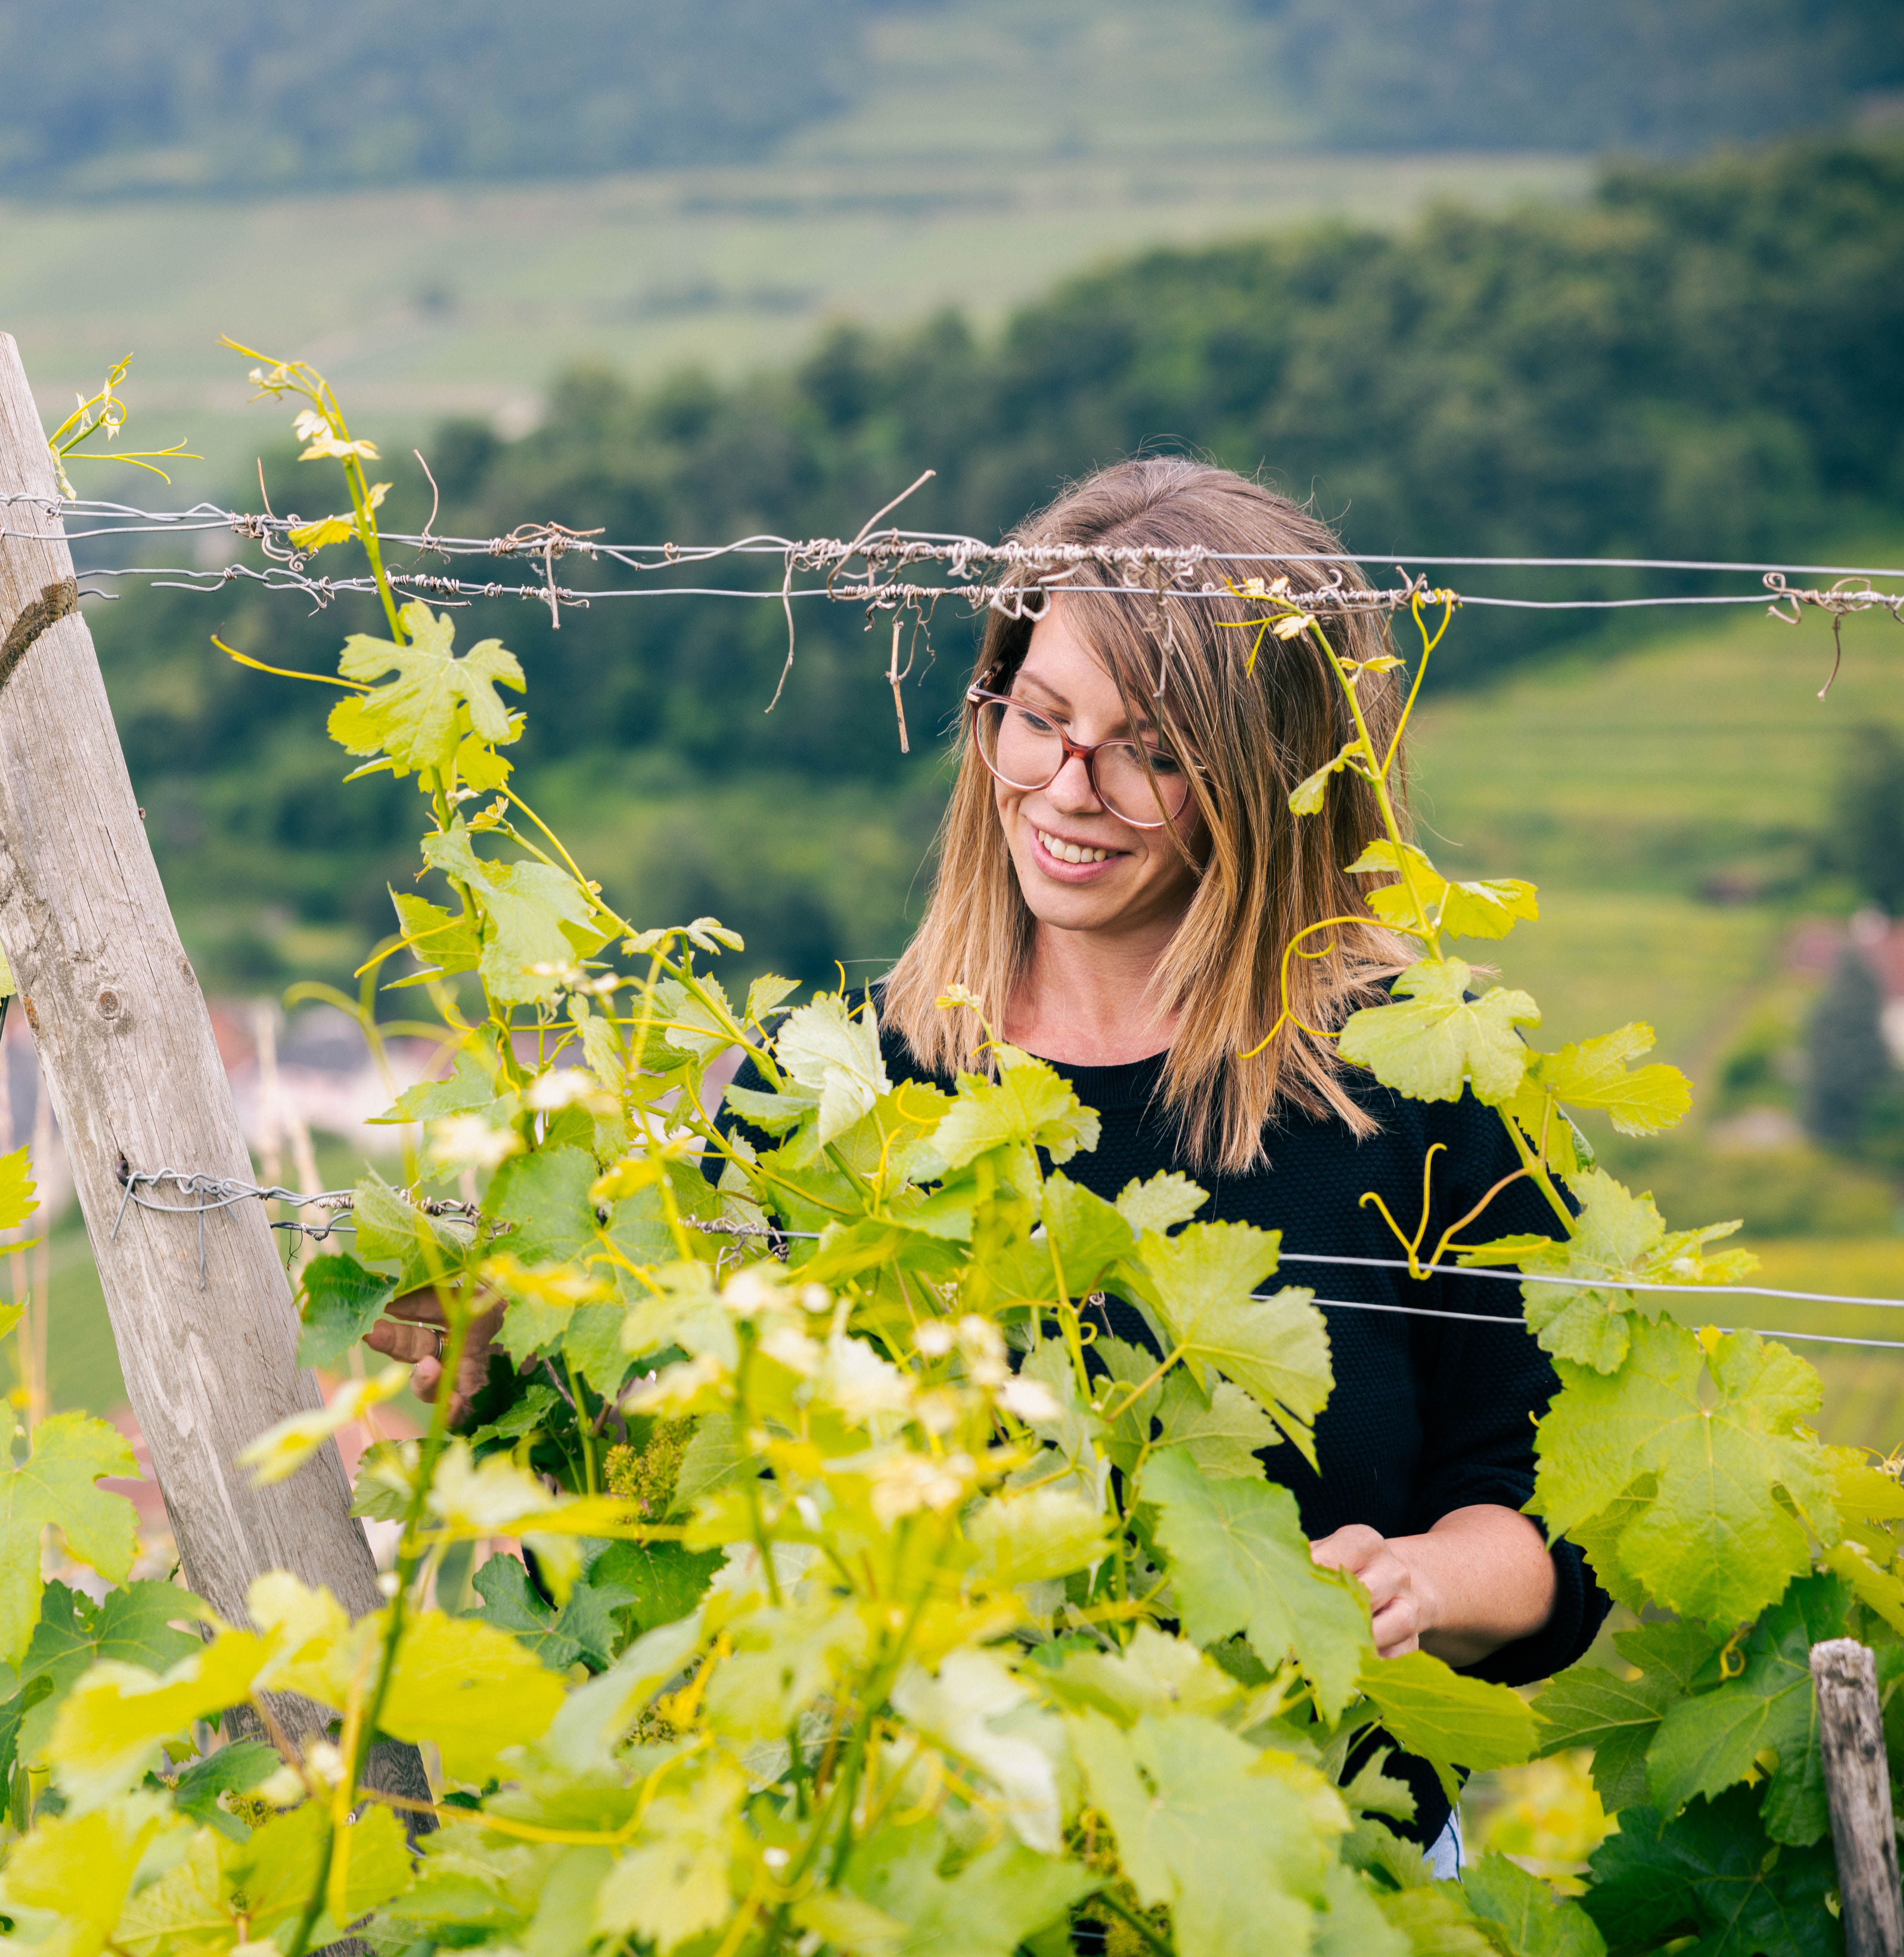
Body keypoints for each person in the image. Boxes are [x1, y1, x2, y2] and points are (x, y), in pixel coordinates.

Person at [373, 457, 1603, 1849]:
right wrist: (513, 1369)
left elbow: (1546, 1533)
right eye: (1041, 719)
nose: (1067, 790)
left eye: (1153, 750)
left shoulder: (1414, 1088)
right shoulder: (839, 1087)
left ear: (1276, 783)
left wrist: (1429, 1582)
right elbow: (701, 1475)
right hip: (913, 1871)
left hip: (1316, 1875)